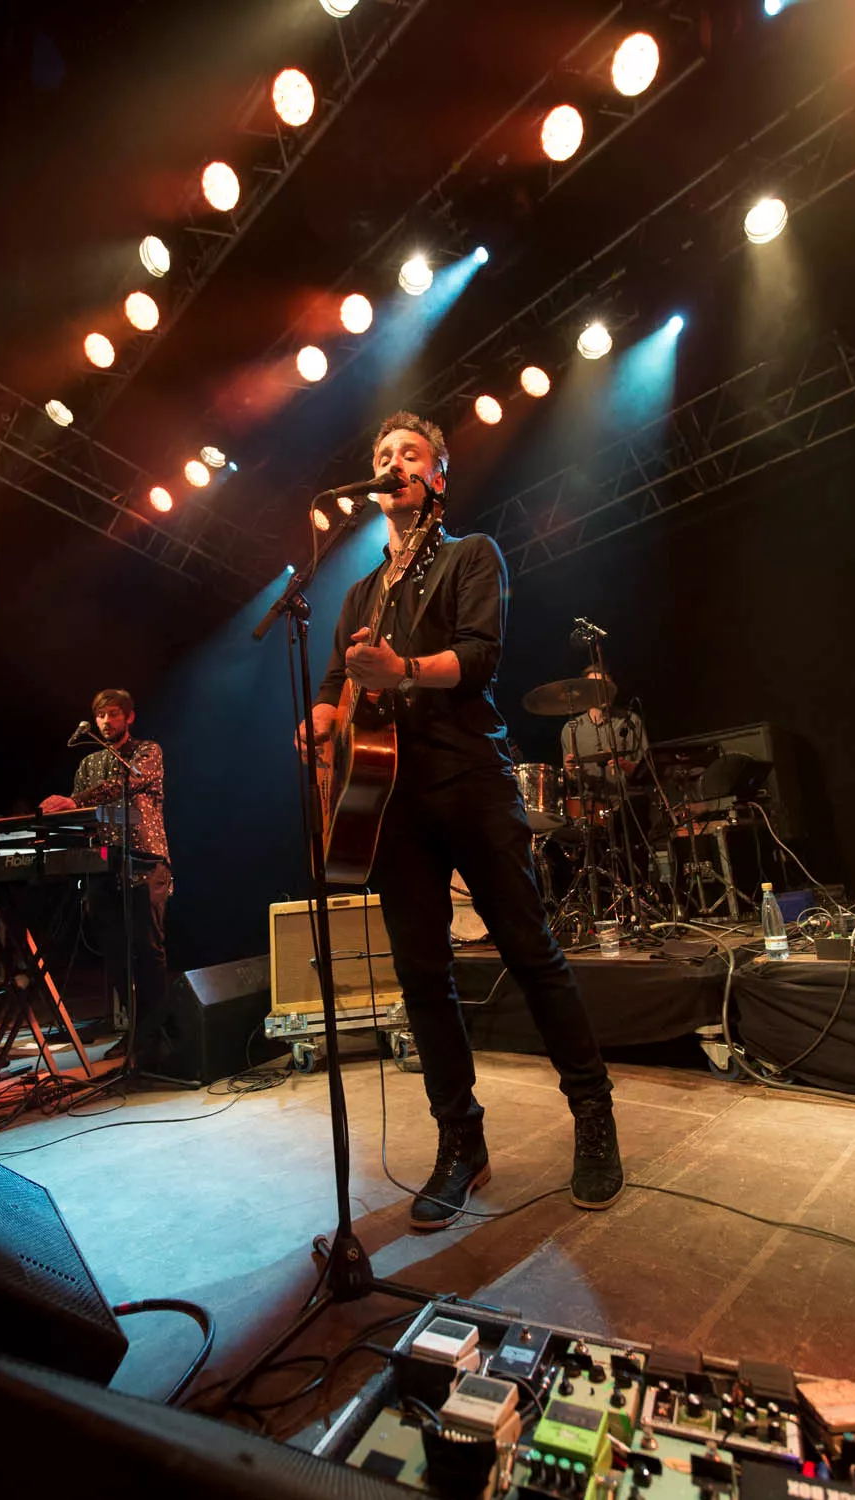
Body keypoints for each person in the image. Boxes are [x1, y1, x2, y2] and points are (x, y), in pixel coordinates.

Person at [298, 411, 623, 1231]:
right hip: (390, 799)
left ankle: (593, 1113)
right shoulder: (360, 593)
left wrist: (402, 668)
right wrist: (323, 720)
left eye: (408, 454)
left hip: (469, 775)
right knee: (421, 975)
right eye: (382, 455)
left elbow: (480, 657)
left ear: (437, 476)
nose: (392, 463)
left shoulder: (471, 555)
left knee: (530, 949)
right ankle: (460, 1142)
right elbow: (337, 679)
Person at [41, 689, 171, 1060]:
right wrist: (63, 816)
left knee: (148, 949)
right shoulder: (88, 764)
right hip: (104, 863)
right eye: (100, 715)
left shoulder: (147, 752)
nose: (105, 721)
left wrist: (77, 801)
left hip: (145, 859)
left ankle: (160, 1035)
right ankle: (136, 1034)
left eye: (113, 714)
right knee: (115, 952)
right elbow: (94, 813)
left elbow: (124, 786)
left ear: (129, 717)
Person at [561, 666, 648, 790]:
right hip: (590, 799)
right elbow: (571, 780)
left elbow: (648, 770)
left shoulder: (631, 721)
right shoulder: (571, 729)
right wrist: (571, 772)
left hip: (629, 797)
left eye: (607, 686)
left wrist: (627, 766)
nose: (605, 691)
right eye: (598, 687)